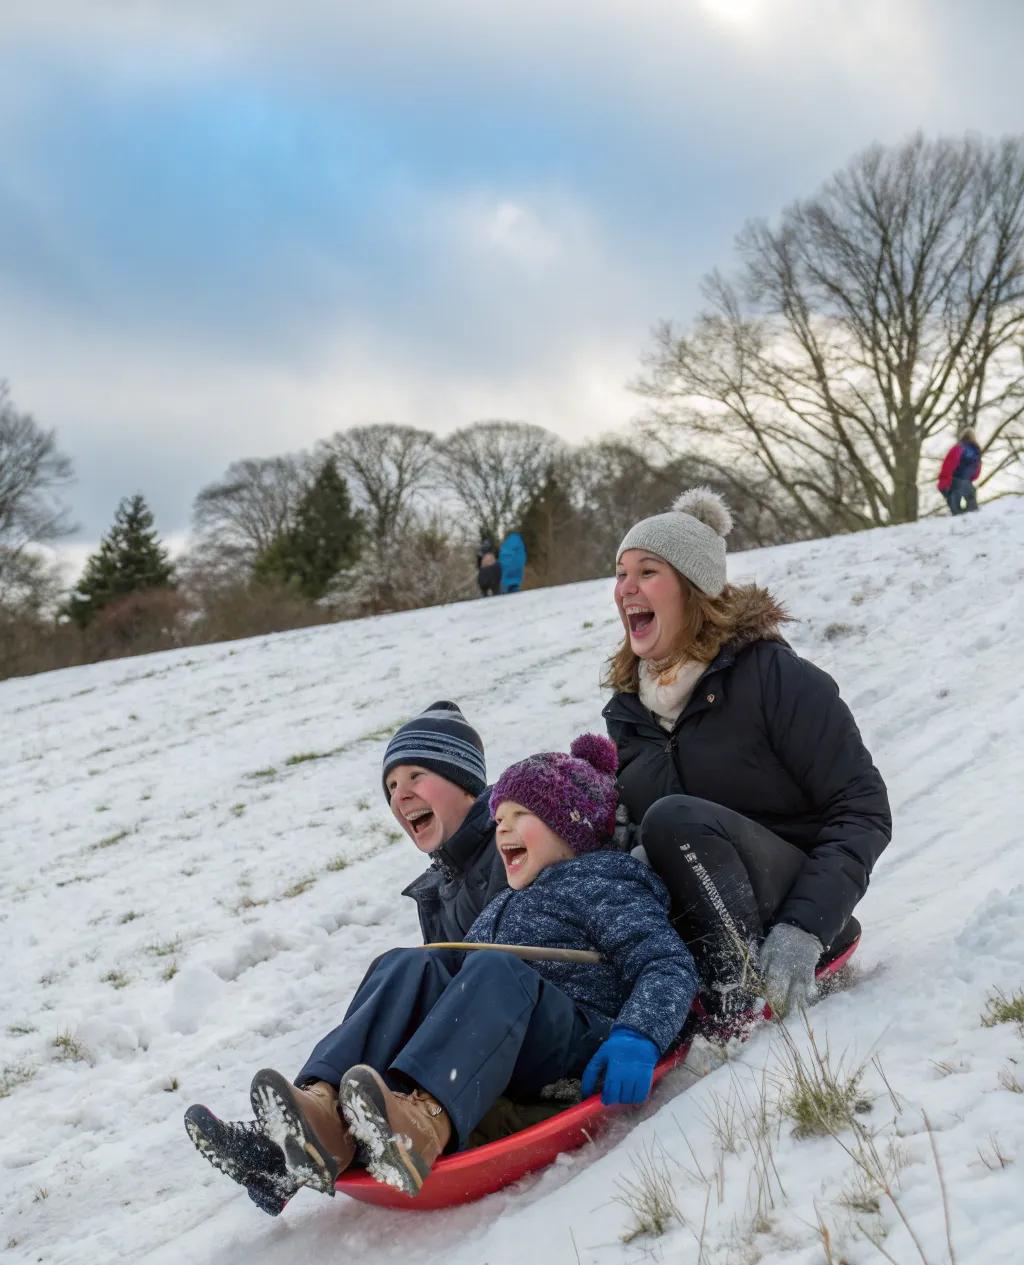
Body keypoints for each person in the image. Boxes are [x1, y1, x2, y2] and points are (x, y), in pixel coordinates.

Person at [185, 736, 698, 1210]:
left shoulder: (610, 883)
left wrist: (638, 1035)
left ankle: (423, 1122)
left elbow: (666, 963)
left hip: (580, 1047)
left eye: (522, 814)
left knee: (495, 969)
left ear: (570, 825)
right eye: (499, 819)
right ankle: (313, 1119)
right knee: (408, 964)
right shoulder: (509, 903)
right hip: (504, 1043)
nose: (503, 828)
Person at [185, 701, 506, 1214]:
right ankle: (308, 1120)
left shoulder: (515, 841)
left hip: (517, 1031)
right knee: (400, 966)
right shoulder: (438, 887)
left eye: (416, 775)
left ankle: (315, 1136)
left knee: (427, 967)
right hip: (473, 1039)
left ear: (465, 780)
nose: (400, 795)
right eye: (390, 788)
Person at [602, 486, 891, 1032]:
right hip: (695, 907)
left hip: (788, 901)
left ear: (694, 588)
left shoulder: (774, 677)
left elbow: (863, 809)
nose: (626, 589)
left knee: (675, 819)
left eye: (646, 572)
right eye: (620, 573)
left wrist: (806, 925)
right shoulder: (628, 712)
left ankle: (738, 993)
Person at [938, 430, 982, 515]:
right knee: (972, 510)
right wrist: (971, 478)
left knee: (956, 509)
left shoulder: (958, 448)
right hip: (968, 482)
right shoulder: (976, 451)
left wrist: (944, 478)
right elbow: (978, 468)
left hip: (956, 481)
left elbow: (949, 464)